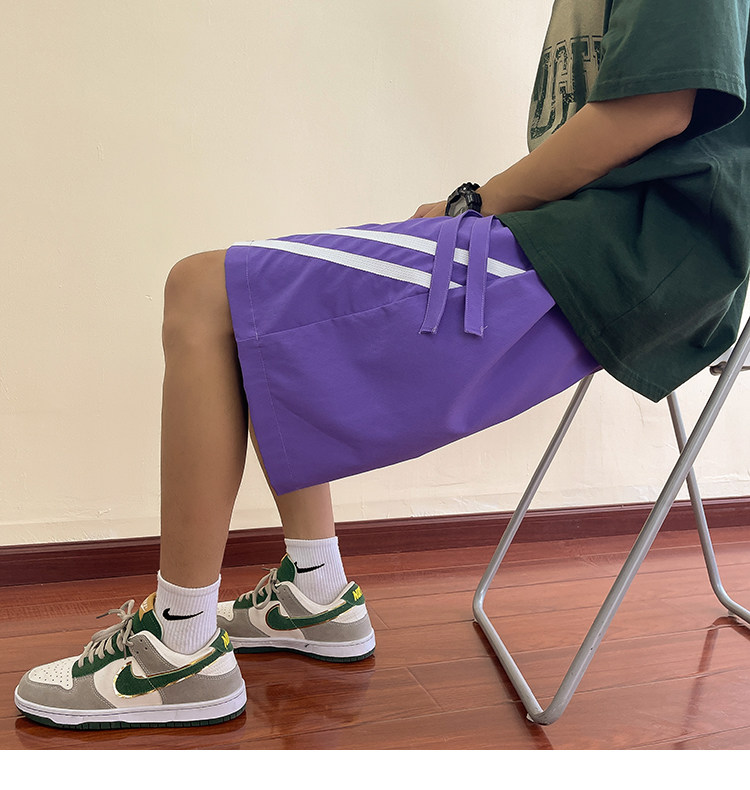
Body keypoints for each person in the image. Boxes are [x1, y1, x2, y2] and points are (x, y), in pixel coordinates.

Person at [15, 0, 750, 729]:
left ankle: (178, 652)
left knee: (206, 293)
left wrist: (472, 204)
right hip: (589, 239)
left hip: (625, 253)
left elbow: (654, 106)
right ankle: (314, 593)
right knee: (256, 304)